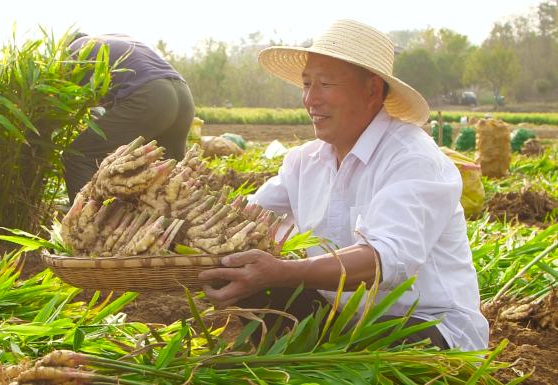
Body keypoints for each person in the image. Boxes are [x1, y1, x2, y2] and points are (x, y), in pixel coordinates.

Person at [198, 20, 488, 352]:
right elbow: (247, 217)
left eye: (325, 83)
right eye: (306, 84)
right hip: (344, 321)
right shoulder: (304, 162)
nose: (310, 99)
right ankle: (287, 361)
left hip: (426, 325)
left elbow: (386, 260)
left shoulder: (413, 158)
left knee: (373, 343)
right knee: (256, 284)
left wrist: (284, 271)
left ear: (372, 90)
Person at [62, 34, 195, 203]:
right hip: (183, 95)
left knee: (78, 155)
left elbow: (67, 100)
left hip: (150, 97)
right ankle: (170, 224)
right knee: (168, 174)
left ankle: (86, 218)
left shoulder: (76, 50)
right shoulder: (114, 39)